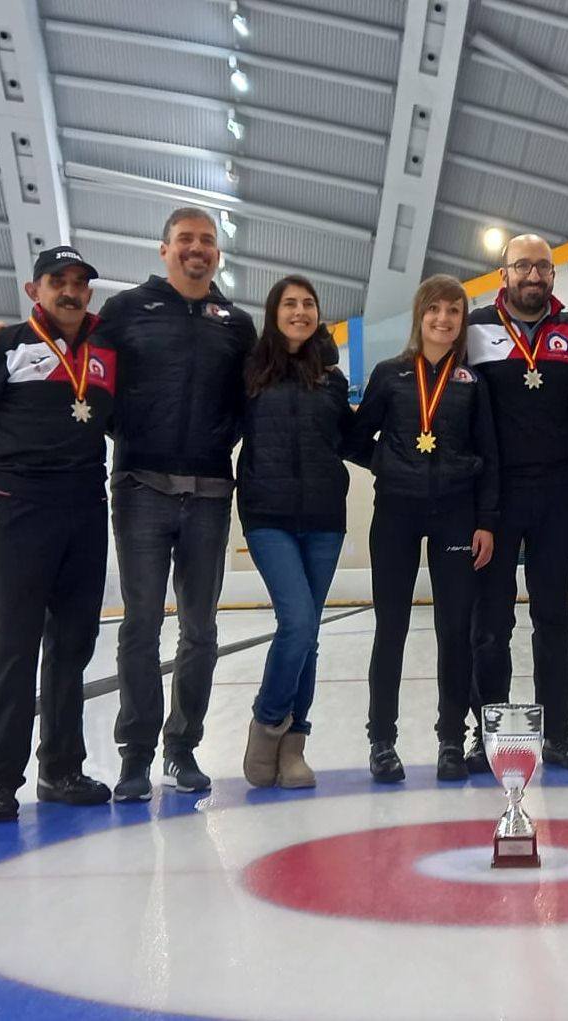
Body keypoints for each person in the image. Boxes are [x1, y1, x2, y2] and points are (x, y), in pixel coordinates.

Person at [0, 208, 256, 800]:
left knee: (200, 629)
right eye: (185, 240)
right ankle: (136, 756)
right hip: (139, 485)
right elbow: (69, 347)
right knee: (141, 626)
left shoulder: (236, 324)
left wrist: (217, 443)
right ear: (164, 249)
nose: (196, 249)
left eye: (206, 241)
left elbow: (249, 398)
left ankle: (182, 748)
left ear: (217, 255)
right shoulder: (125, 311)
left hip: (208, 489)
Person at [0, 246, 114, 822]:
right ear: (33, 290)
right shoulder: (5, 346)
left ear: (89, 292)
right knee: (12, 648)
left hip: (85, 511)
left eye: (79, 283)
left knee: (72, 648)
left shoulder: (109, 348)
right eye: (56, 281)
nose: (69, 291)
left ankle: (61, 770)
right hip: (20, 514)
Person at [348, 274, 498, 783]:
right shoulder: (390, 375)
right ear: (420, 316)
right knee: (391, 628)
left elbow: (490, 458)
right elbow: (353, 437)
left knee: (454, 631)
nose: (443, 320)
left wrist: (486, 522)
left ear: (462, 322)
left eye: (453, 312)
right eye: (434, 310)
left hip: (456, 515)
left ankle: (451, 740)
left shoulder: (472, 383)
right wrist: (388, 465)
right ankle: (382, 741)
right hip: (396, 513)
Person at [465, 234, 568, 770]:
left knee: (555, 617)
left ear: (553, 275)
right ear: (503, 274)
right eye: (523, 266)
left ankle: (560, 729)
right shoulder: (474, 330)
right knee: (491, 622)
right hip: (495, 495)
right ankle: (488, 731)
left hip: (558, 492)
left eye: (543, 267)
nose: (533, 276)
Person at [237, 276, 352, 789]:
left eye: (308, 304)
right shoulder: (249, 370)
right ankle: (267, 724)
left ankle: (293, 746)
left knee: (310, 635)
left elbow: (351, 440)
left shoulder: (332, 378)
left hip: (325, 519)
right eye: (290, 303)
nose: (300, 311)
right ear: (274, 312)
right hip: (268, 516)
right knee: (298, 624)